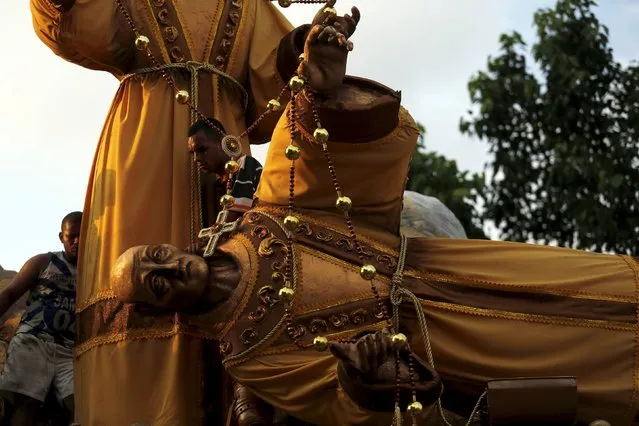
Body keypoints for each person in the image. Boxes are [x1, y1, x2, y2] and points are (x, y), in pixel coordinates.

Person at [108, 35, 634, 426]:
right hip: (458, 347)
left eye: (157, 255)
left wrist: (320, 95)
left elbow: (310, 162)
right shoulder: (252, 356)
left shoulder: (264, 222)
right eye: (157, 280)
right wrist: (364, 379)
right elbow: (334, 403)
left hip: (456, 266)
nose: (170, 267)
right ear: (164, 307)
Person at [28, 0, 360, 421]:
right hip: (144, 150)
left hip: (227, 145)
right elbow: (77, 27)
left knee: (248, 276)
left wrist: (311, 48)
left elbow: (279, 84)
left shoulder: (248, 5)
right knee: (139, 282)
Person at [0, 212, 81, 426]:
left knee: (82, 406)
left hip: (70, 351)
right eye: (71, 236)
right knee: (26, 404)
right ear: (61, 237)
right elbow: (10, 293)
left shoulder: (94, 270)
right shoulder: (44, 262)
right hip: (34, 341)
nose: (77, 241)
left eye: (83, 235)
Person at [188, 117, 263, 224]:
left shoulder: (246, 164)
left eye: (202, 150)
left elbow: (229, 223)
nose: (196, 158)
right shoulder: (216, 185)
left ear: (222, 143)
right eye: (193, 153)